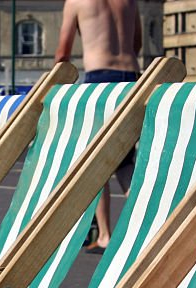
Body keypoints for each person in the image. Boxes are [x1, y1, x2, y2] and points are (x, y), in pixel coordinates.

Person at [55, 0, 141, 251]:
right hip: (131, 77)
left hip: (100, 79)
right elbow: (136, 44)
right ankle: (150, 222)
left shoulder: (76, 1)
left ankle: (105, 234)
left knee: (95, 160)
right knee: (125, 159)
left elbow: (63, 53)